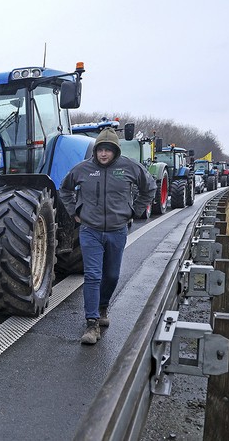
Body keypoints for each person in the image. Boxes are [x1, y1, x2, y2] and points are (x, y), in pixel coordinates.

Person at [59, 127, 156, 345]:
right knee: (93, 275)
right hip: (90, 231)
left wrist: (135, 211)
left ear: (115, 151)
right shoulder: (82, 169)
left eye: (108, 150)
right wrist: (75, 212)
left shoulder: (130, 167)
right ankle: (92, 323)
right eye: (100, 149)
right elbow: (64, 189)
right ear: (95, 151)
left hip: (117, 231)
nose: (103, 154)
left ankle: (103, 307)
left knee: (111, 275)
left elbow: (149, 188)